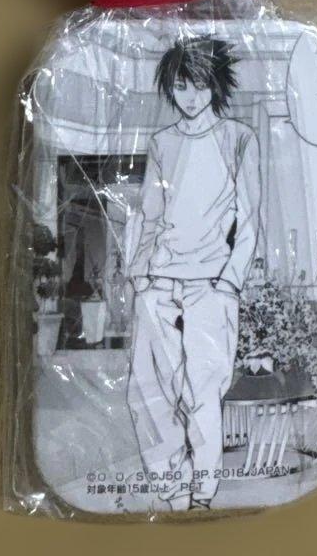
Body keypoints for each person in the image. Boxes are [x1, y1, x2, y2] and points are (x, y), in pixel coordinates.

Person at [125, 36, 261, 511]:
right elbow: (150, 213)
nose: (190, 96)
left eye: (200, 85)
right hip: (159, 283)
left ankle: (202, 493)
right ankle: (172, 491)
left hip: (211, 287)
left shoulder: (238, 138)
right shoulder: (162, 142)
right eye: (181, 86)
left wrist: (229, 283)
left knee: (204, 391)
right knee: (147, 390)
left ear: (216, 86)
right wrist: (141, 276)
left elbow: (249, 218)